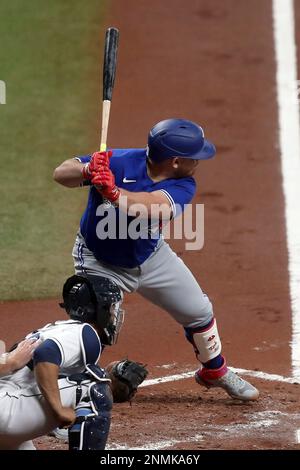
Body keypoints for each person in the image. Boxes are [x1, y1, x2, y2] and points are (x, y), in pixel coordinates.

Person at [53, 118, 259, 402]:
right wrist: (88, 170)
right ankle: (67, 391)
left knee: (198, 311)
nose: (198, 161)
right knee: (95, 323)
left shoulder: (184, 184)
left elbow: (153, 208)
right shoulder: (118, 160)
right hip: (100, 260)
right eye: (194, 157)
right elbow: (61, 173)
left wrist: (113, 193)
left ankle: (215, 370)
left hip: (151, 256)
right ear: (175, 160)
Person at [0, 274, 123, 450]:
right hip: (8, 411)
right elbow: (46, 353)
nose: (114, 315)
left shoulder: (57, 329)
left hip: (9, 408)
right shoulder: (86, 333)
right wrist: (58, 409)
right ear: (100, 309)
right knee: (93, 386)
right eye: (112, 309)